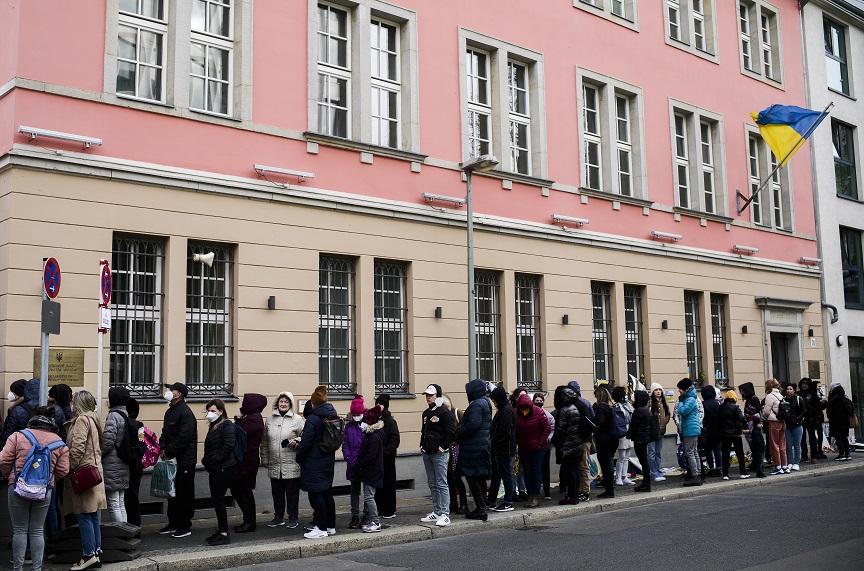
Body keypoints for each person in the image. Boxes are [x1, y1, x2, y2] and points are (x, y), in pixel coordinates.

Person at [1, 405, 69, 571]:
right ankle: (37, 568)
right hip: (44, 490)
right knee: (37, 531)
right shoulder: (59, 443)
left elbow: (3, 461)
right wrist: (49, 480)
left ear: (31, 421)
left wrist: (9, 476)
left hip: (17, 487)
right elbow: (63, 470)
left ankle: (18, 568)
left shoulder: (17, 436)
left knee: (19, 530)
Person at [63, 390, 107, 571]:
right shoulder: (93, 418)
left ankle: (89, 555)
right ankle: (96, 551)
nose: (72, 404)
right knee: (92, 515)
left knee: (83, 515)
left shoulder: (82, 420)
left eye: (74, 401)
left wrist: (68, 468)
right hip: (93, 472)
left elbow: (78, 447)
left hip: (83, 474)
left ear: (79, 404)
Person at [157, 382, 198, 538]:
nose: (168, 392)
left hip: (184, 461)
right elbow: (165, 433)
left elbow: (184, 437)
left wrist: (169, 451)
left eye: (171, 390)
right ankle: (173, 523)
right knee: (172, 493)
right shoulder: (170, 412)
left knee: (184, 493)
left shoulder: (185, 413)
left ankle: (184, 525)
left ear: (178, 394)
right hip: (171, 459)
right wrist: (162, 448)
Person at [297, 385, 339, 538]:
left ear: (314, 403)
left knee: (315, 494)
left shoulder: (313, 419)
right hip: (328, 460)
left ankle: (320, 528)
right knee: (326, 493)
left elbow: (306, 443)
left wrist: (299, 458)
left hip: (313, 462)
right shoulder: (331, 415)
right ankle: (330, 526)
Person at [261, 391, 304, 529]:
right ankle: (278, 516)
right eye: (281, 401)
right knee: (277, 492)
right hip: (274, 463)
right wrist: (265, 458)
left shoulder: (297, 419)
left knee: (292, 493)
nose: (283, 404)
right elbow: (265, 441)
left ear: (290, 404)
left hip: (291, 462)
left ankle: (293, 517)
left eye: (286, 402)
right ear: (277, 403)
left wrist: (296, 441)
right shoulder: (270, 419)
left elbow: (306, 436)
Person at [419, 383, 456, 527]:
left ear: (437, 396)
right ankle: (436, 510)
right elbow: (424, 431)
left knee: (441, 483)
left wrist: (442, 448)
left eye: (431, 395)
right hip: (427, 453)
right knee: (432, 483)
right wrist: (422, 445)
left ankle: (445, 514)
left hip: (439, 454)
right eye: (427, 395)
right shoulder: (425, 413)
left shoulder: (445, 413)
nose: (428, 398)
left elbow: (450, 433)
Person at [455, 379, 492, 521]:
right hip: (481, 445)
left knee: (472, 477)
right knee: (479, 476)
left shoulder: (477, 404)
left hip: (473, 447)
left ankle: (481, 508)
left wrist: (459, 432)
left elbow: (473, 424)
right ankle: (482, 506)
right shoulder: (485, 402)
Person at [202, 398, 236, 546]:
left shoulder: (226, 425)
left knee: (219, 500)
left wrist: (214, 460)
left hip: (224, 468)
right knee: (217, 500)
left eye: (213, 411)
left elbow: (228, 446)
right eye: (208, 411)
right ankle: (222, 530)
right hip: (216, 468)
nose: (210, 413)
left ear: (221, 411)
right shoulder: (214, 426)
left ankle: (224, 533)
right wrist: (206, 460)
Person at [231, 393, 266, 534]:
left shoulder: (254, 419)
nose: (243, 405)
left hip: (247, 461)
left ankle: (249, 522)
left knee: (238, 490)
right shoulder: (251, 418)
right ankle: (249, 520)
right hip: (246, 460)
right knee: (245, 491)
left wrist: (238, 422)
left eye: (245, 402)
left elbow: (240, 434)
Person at [514, 392, 551, 507]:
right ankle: (530, 494)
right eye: (522, 408)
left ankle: (535, 496)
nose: (524, 410)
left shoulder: (538, 412)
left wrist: (540, 443)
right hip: (524, 448)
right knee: (527, 472)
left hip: (537, 448)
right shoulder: (516, 413)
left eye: (526, 408)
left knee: (535, 471)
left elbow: (546, 428)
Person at [101, 386, 131, 522]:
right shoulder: (125, 414)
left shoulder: (113, 415)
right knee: (120, 501)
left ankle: (120, 533)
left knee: (113, 503)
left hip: (112, 464)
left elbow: (108, 441)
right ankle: (125, 531)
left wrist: (98, 454)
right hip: (123, 462)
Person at [354, 405, 385, 533]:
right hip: (371, 471)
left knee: (369, 497)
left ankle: (375, 522)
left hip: (372, 472)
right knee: (369, 496)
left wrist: (360, 465)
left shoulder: (374, 437)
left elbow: (371, 456)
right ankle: (373, 520)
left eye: (365, 422)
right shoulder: (372, 435)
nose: (362, 424)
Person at [487, 386, 516, 512]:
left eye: (494, 400)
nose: (493, 402)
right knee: (497, 475)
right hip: (500, 448)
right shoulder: (503, 409)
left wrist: (492, 441)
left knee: (506, 475)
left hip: (504, 449)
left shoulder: (506, 411)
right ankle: (491, 500)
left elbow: (504, 431)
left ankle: (508, 501)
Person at [552, 386, 583, 503]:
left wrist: (554, 440)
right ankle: (574, 494)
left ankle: (572, 496)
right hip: (576, 443)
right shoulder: (574, 408)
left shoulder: (563, 411)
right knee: (574, 470)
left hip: (567, 445)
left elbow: (560, 429)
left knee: (570, 471)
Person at [374, 394, 400, 519]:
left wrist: (385, 452)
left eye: (381, 404)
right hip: (376, 459)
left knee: (388, 484)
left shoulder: (390, 421)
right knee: (378, 485)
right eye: (377, 404)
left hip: (387, 459)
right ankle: (379, 508)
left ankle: (389, 510)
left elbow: (395, 440)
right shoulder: (374, 420)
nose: (378, 406)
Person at [568, 380, 594, 502]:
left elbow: (589, 423)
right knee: (581, 466)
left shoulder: (580, 405)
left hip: (582, 439)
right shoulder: (584, 403)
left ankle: (585, 491)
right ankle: (582, 489)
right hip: (581, 439)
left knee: (583, 466)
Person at [344, 394, 367, 528]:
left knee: (368, 491)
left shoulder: (367, 426)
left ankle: (366, 514)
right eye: (355, 414)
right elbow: (345, 443)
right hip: (353, 463)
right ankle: (355, 515)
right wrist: (348, 456)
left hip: (365, 463)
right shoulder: (349, 427)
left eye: (359, 413)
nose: (357, 416)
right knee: (354, 491)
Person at [677, 378, 703, 487]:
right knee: (694, 451)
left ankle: (695, 476)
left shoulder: (690, 399)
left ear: (685, 389)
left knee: (689, 452)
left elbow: (683, 411)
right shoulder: (691, 397)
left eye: (680, 389)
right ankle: (698, 474)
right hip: (692, 428)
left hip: (690, 429)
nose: (679, 391)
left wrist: (680, 402)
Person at [718, 391, 750, 480]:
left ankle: (725, 474)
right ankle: (743, 472)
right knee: (739, 453)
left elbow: (717, 420)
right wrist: (745, 427)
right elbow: (742, 418)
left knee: (725, 454)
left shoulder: (720, 408)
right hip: (736, 433)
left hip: (724, 434)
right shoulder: (736, 407)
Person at [593, 386, 618, 498]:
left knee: (605, 464)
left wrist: (593, 426)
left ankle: (609, 490)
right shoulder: (611, 407)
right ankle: (610, 488)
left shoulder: (600, 408)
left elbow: (600, 423)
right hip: (612, 438)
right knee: (609, 464)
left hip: (603, 439)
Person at [124, 398, 144, 527]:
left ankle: (133, 528)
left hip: (130, 466)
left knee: (129, 499)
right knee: (132, 498)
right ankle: (136, 528)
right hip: (137, 466)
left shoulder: (129, 425)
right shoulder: (138, 425)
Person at [762, 378, 788, 475]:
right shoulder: (780, 395)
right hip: (783, 422)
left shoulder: (770, 396)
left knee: (774, 445)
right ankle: (784, 465)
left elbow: (766, 411)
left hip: (774, 421)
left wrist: (764, 417)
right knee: (782, 445)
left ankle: (778, 466)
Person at [627, 390, 652, 492]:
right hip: (644, 438)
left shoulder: (638, 411)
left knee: (643, 461)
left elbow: (633, 425)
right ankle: (646, 482)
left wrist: (628, 435)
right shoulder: (645, 409)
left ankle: (646, 483)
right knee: (644, 460)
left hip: (639, 439)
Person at [610, 386, 635, 486]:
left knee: (627, 455)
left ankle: (625, 476)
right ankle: (618, 477)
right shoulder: (616, 406)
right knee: (622, 456)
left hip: (629, 429)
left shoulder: (628, 405)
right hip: (621, 430)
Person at [509, 387, 530, 501]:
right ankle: (513, 490)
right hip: (514, 442)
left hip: (524, 442)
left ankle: (522, 490)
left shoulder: (528, 410)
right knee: (513, 468)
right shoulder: (512, 410)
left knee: (522, 468)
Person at [799, 378, 826, 462]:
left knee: (812, 438)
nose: (804, 385)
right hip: (801, 419)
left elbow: (818, 407)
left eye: (806, 384)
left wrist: (816, 418)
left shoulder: (812, 394)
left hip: (811, 419)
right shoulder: (798, 394)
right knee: (802, 438)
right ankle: (804, 455)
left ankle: (813, 455)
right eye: (803, 384)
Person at [533, 392, 554, 500]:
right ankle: (534, 491)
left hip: (545, 446)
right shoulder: (530, 414)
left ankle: (547, 491)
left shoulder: (548, 415)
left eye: (541, 400)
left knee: (545, 469)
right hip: (534, 446)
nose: (539, 402)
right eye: (537, 400)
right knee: (535, 469)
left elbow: (552, 428)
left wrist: (548, 439)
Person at [648, 383, 670, 482]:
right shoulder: (650, 402)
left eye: (660, 390)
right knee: (651, 453)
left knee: (658, 452)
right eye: (656, 390)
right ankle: (654, 473)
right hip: (652, 432)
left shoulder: (663, 402)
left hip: (661, 431)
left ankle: (658, 471)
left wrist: (665, 421)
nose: (658, 391)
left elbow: (668, 414)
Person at [827, 383, 854, 461]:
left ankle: (841, 454)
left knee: (838, 438)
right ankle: (847, 454)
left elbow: (830, 410)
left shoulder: (834, 399)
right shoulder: (845, 399)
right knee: (844, 438)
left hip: (836, 422)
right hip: (845, 422)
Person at [783, 383, 806, 471]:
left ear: (794, 390)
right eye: (787, 389)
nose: (788, 391)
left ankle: (796, 462)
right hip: (787, 425)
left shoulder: (798, 399)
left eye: (790, 389)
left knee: (797, 444)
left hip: (797, 425)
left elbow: (804, 411)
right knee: (788, 445)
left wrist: (797, 419)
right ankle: (790, 462)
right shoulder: (784, 399)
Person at [700, 385, 722, 477]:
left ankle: (711, 469)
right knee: (717, 449)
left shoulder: (703, 404)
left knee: (708, 449)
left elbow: (702, 417)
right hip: (717, 429)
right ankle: (719, 469)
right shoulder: (718, 403)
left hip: (707, 430)